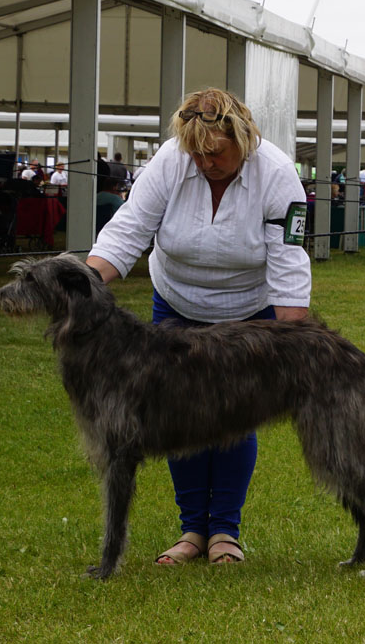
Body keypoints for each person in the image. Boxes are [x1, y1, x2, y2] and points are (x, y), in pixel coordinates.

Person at [87, 88, 311, 566]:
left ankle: (225, 531)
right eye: (197, 154)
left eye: (215, 153)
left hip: (247, 313)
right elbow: (129, 229)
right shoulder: (170, 161)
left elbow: (290, 258)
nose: (205, 163)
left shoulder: (277, 173)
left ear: (243, 137)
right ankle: (192, 531)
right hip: (177, 304)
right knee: (176, 416)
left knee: (234, 418)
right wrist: (85, 283)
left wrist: (295, 339)